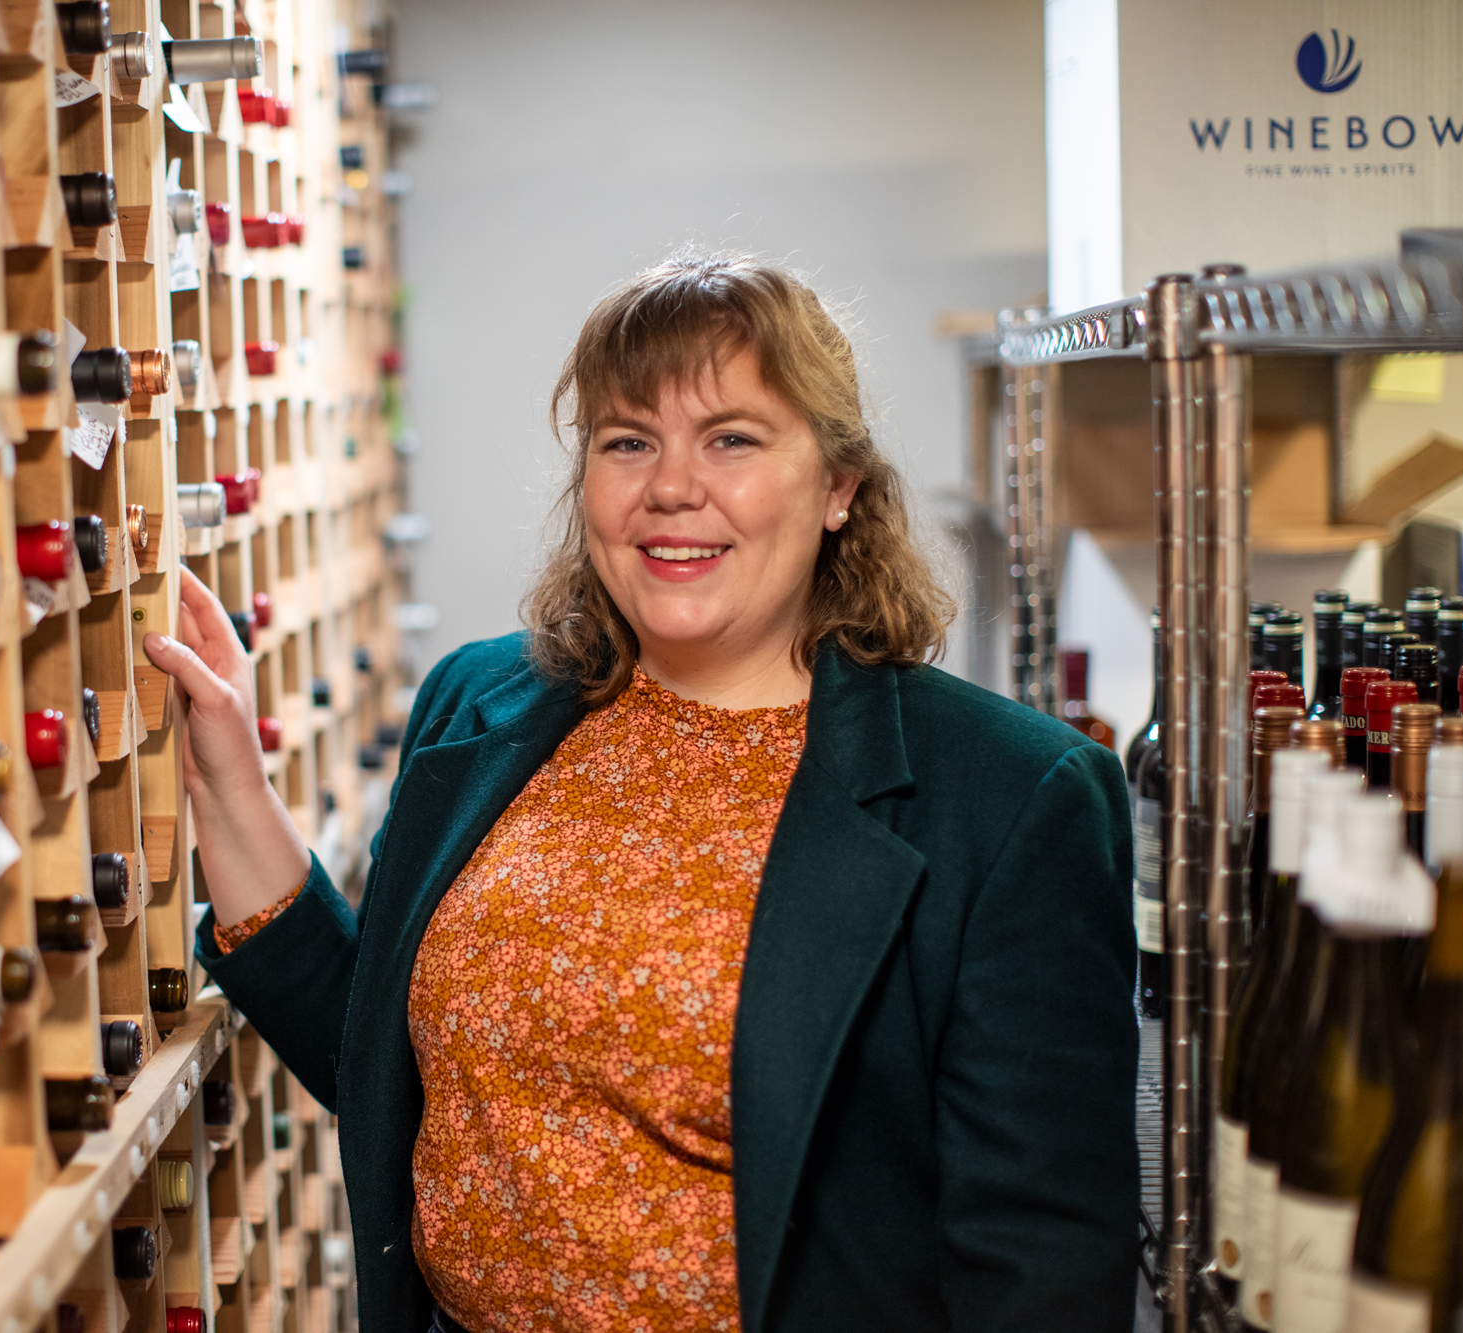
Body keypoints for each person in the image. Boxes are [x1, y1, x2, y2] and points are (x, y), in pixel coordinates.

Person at [142, 252, 1138, 1333]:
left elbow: (1038, 1264)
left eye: (732, 439)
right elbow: (388, 1059)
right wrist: (230, 777)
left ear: (839, 486)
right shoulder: (479, 705)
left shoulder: (1006, 797)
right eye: (628, 441)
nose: (670, 487)